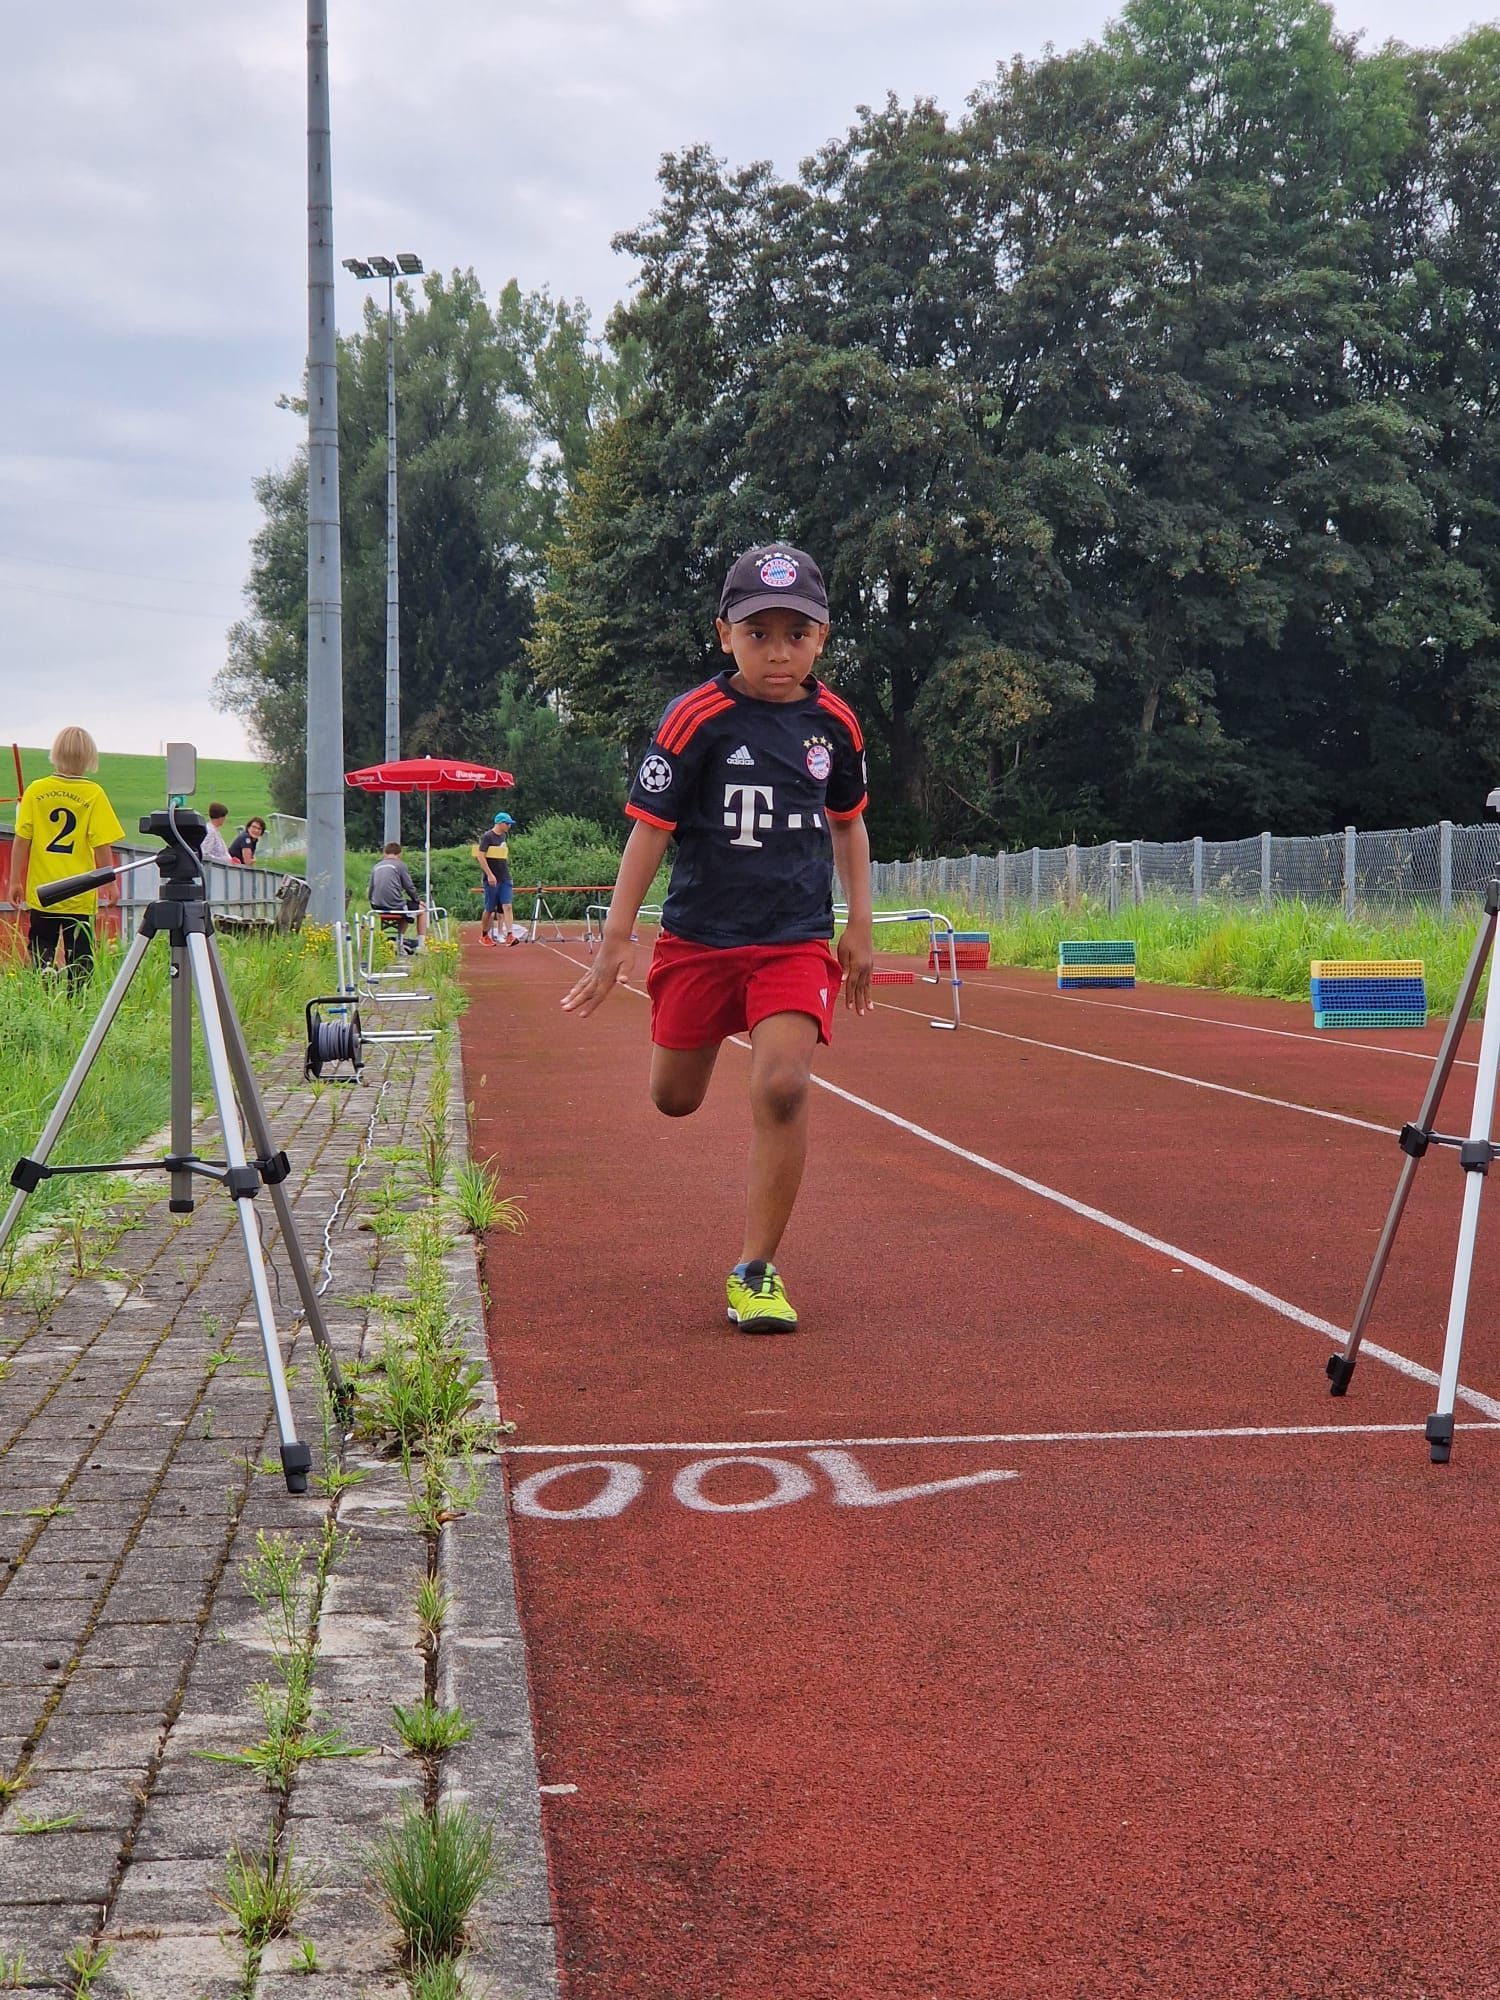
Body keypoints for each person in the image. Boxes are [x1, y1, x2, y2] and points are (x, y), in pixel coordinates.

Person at [562, 542, 873, 1333]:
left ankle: (756, 1270)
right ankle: (706, 1040)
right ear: (724, 633)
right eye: (758, 633)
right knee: (674, 1099)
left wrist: (860, 925)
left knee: (784, 1085)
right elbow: (649, 829)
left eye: (796, 634)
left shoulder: (835, 724)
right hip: (701, 937)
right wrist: (616, 939)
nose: (779, 652)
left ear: (823, 637)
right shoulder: (694, 717)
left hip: (793, 937)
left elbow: (849, 824)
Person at [8, 725, 125, 983]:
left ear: (55, 754)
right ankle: (77, 998)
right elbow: (101, 845)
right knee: (80, 956)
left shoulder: (36, 790)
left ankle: (45, 984)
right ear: (89, 758)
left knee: (41, 947)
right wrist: (110, 883)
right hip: (80, 892)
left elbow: (21, 840)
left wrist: (15, 880)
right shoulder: (93, 794)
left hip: (43, 891)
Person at [367, 840, 428, 955]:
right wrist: (417, 900)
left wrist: (372, 901)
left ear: (384, 853)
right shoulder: (400, 865)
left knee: (406, 909)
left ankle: (398, 943)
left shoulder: (376, 866)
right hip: (394, 905)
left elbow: (371, 888)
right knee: (421, 910)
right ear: (400, 854)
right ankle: (421, 945)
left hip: (377, 905)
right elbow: (409, 887)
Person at [475, 811, 517, 944]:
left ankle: (510, 934)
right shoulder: (488, 836)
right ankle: (484, 935)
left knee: (507, 905)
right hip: (492, 878)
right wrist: (489, 874)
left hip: (505, 876)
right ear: (500, 823)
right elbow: (480, 856)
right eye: (507, 823)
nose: (509, 826)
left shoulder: (503, 836)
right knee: (489, 909)